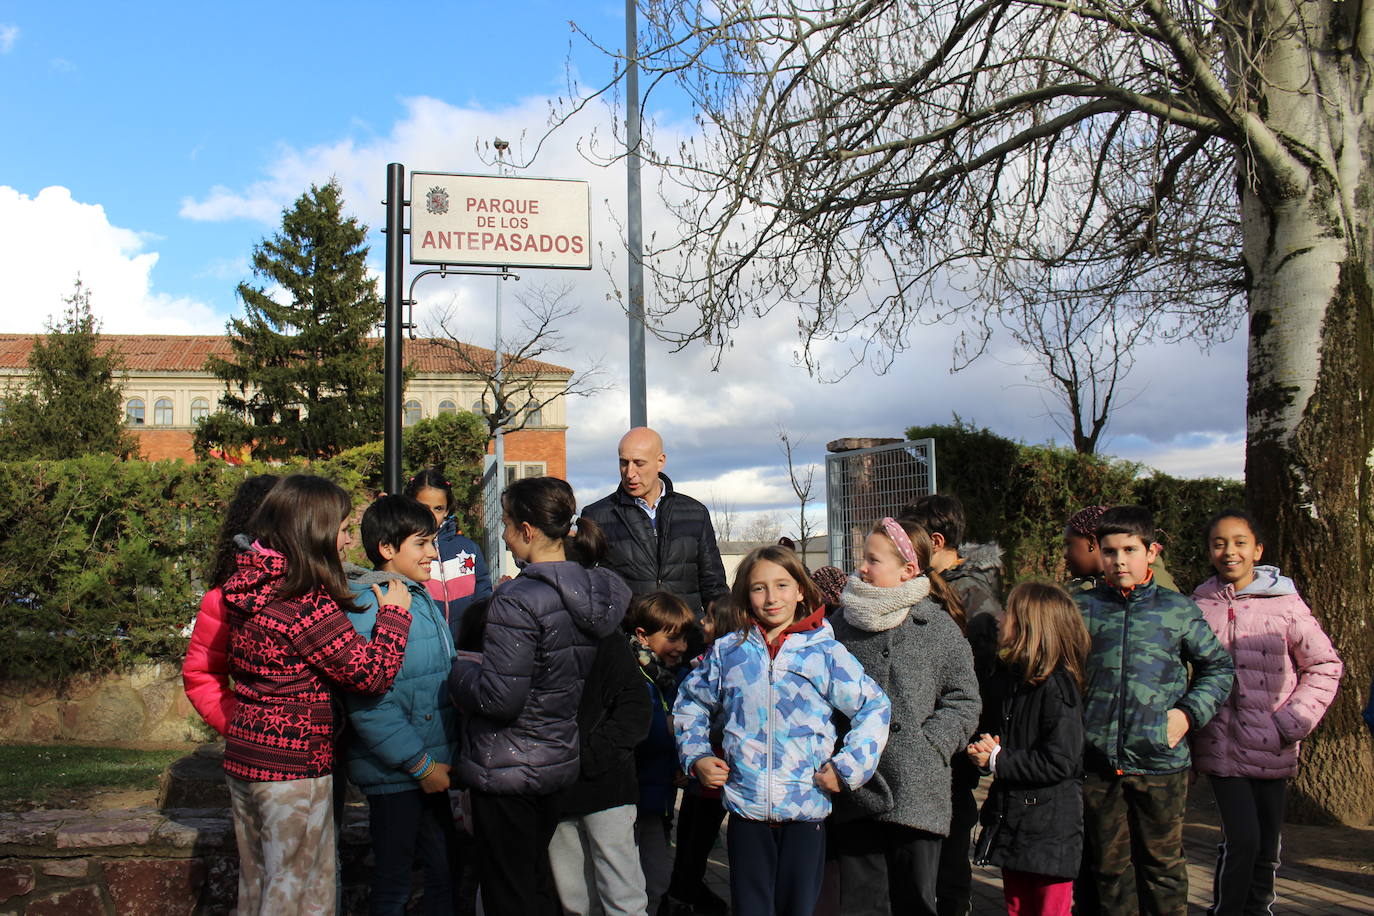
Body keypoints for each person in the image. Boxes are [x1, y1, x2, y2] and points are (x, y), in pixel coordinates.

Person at [220, 475, 414, 916]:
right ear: (316, 531)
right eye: (343, 529)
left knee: (259, 886)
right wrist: (394, 619)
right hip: (293, 768)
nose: (347, 541)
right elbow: (369, 674)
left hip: (246, 755)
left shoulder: (249, 583)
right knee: (299, 892)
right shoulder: (302, 600)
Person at [675, 545, 891, 916]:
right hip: (746, 813)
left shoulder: (825, 654)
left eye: (782, 585)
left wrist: (847, 769)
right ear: (745, 594)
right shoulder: (729, 653)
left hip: (806, 811)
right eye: (759, 588)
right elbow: (689, 703)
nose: (772, 597)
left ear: (801, 590)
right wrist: (697, 757)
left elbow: (874, 707)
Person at [448, 476, 630, 916]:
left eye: (508, 523)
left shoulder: (518, 599)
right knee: (534, 884)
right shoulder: (592, 592)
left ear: (528, 530)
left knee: (509, 893)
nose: (505, 534)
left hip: (508, 765)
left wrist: (459, 672)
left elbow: (501, 698)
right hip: (554, 757)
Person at [1073, 505, 1234, 916]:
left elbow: (1218, 667)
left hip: (1160, 765)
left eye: (1129, 549)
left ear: (1152, 551)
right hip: (1098, 766)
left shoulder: (1176, 609)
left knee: (1162, 870)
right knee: (1109, 872)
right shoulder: (1081, 608)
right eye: (1109, 551)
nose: (1119, 560)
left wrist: (1186, 715)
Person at [1189, 509, 1342, 916]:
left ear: (1257, 549)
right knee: (1243, 839)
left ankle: (1259, 909)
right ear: (1209, 551)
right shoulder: (1197, 605)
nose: (1229, 551)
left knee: (1267, 845)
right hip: (1220, 748)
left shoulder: (1286, 604)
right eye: (1219, 543)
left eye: (1240, 542)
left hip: (1273, 745)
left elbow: (1325, 666)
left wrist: (1290, 724)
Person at [829, 517, 982, 916]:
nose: (861, 567)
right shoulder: (840, 626)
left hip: (917, 790)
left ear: (907, 570)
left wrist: (932, 745)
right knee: (862, 904)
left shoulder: (938, 628)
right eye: (863, 558)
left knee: (915, 902)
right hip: (856, 788)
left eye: (873, 560)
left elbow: (964, 699)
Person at [340, 495, 462, 916]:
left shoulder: (417, 596)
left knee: (445, 873)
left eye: (434, 542)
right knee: (393, 883)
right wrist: (420, 766)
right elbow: (369, 703)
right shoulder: (371, 606)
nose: (433, 553)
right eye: (422, 543)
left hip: (433, 770)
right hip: (400, 776)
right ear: (387, 549)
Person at [899, 494, 1002, 916]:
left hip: (951, 739)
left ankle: (953, 903)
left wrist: (958, 735)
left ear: (935, 541)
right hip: (924, 735)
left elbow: (981, 678)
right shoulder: (936, 587)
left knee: (953, 829)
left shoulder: (971, 595)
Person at [967, 582, 1090, 916]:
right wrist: (985, 753)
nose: (1000, 619)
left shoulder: (1056, 687)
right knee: (1017, 908)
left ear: (1029, 626)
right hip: (1018, 825)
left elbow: (1060, 761)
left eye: (1008, 612)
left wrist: (998, 759)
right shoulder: (1014, 682)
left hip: (1050, 832)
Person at [548, 621, 653, 916]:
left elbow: (636, 705)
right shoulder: (530, 629)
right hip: (557, 788)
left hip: (607, 788)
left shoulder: (603, 633)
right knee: (575, 901)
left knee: (623, 898)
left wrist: (596, 754)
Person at [581, 427, 729, 622]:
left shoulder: (695, 513)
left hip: (689, 640)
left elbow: (714, 585)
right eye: (624, 463)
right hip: (629, 642)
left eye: (639, 463)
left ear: (660, 461)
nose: (630, 473)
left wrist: (724, 630)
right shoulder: (597, 516)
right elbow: (589, 589)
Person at [183, 473, 279, 735]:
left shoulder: (319, 585)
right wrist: (245, 727)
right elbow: (202, 675)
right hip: (263, 752)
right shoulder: (224, 598)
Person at [666, 597, 740, 915]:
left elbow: (719, 718)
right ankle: (687, 891)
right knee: (688, 838)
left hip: (716, 768)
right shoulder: (704, 660)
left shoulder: (726, 664)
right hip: (700, 767)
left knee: (697, 840)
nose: (702, 625)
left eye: (709, 619)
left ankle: (688, 894)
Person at [627, 592, 697, 915]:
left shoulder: (676, 678)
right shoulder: (632, 675)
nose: (681, 647)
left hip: (658, 797)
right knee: (634, 877)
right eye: (672, 638)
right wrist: (667, 727)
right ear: (643, 635)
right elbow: (635, 729)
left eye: (684, 638)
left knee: (656, 876)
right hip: (632, 796)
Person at [404, 467, 492, 633]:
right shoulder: (404, 550)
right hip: (425, 645)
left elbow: (483, 596)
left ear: (447, 510)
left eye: (438, 508)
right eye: (423, 507)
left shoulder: (469, 549)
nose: (430, 514)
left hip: (466, 648)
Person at [1063, 504, 1178, 593]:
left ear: (1091, 542)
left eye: (1069, 544)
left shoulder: (1152, 587)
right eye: (1109, 551)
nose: (1065, 554)